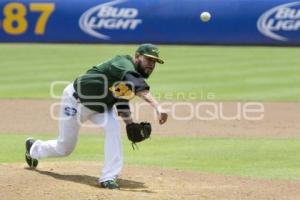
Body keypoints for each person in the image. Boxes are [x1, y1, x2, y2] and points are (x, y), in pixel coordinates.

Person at [25, 44, 168, 189]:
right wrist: (158, 107)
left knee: (113, 131)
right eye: (148, 59)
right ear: (137, 56)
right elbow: (137, 83)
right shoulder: (123, 63)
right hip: (75, 102)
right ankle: (33, 148)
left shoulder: (128, 76)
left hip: (102, 108)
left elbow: (121, 100)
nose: (151, 64)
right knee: (65, 148)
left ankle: (108, 177)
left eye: (154, 62)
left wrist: (130, 124)